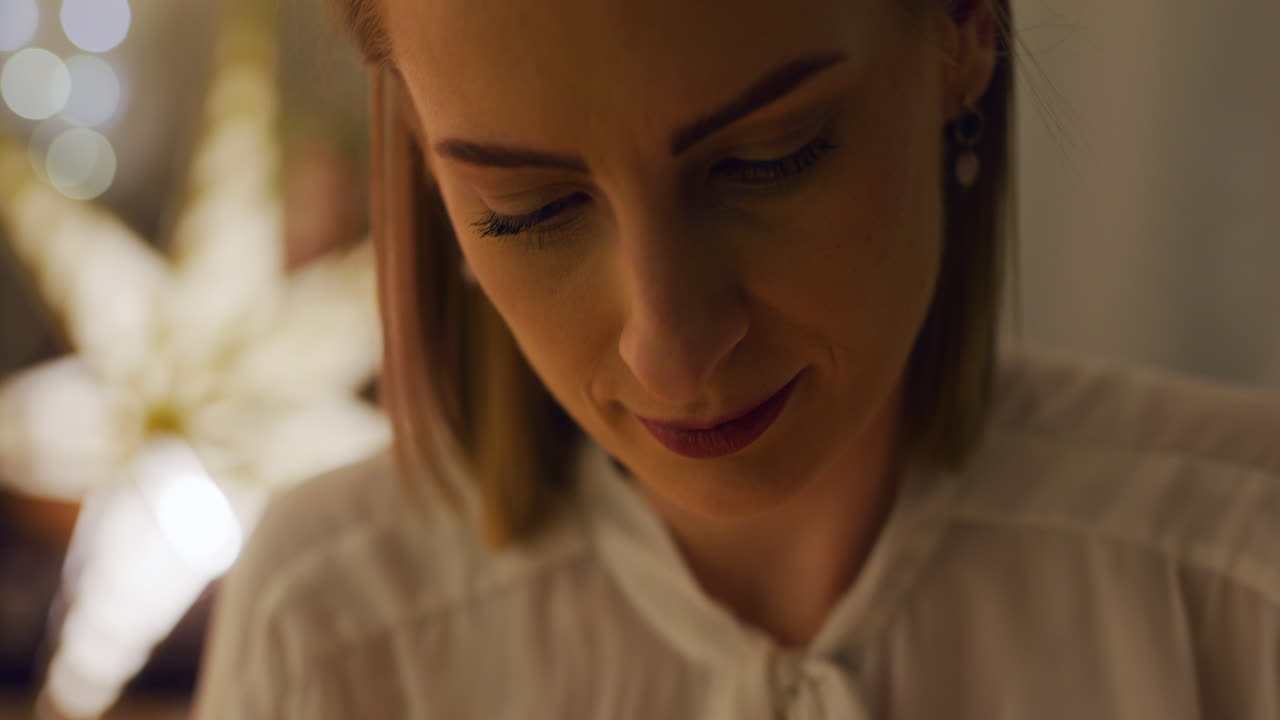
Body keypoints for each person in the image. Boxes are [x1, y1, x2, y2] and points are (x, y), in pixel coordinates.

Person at [192, 0, 1280, 717]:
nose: (668, 351)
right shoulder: (329, 634)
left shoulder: (1240, 575)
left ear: (960, 32)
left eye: (770, 160)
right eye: (526, 211)